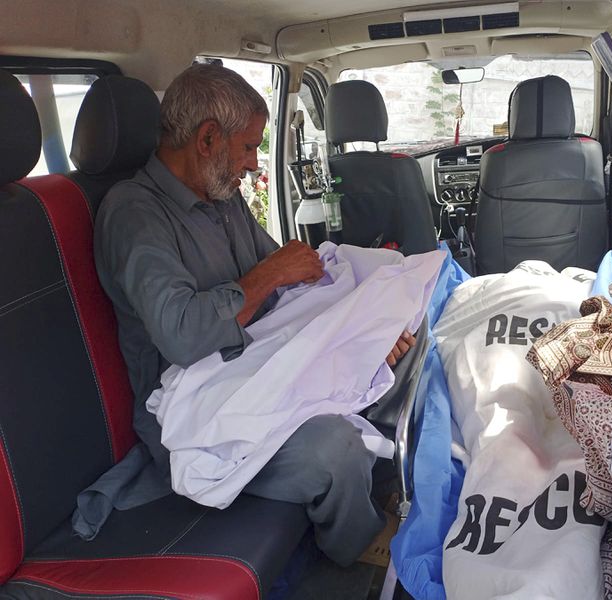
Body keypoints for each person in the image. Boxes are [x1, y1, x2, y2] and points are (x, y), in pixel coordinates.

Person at [94, 63, 414, 566]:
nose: (253, 165)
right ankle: (352, 556)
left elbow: (293, 287)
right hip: (199, 414)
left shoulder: (222, 199)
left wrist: (363, 328)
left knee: (400, 355)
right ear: (206, 139)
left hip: (261, 372)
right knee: (337, 447)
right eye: (247, 148)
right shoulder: (136, 214)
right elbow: (182, 335)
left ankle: (380, 489)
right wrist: (271, 275)